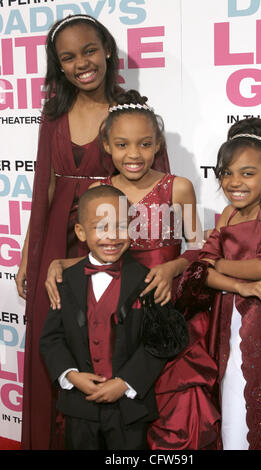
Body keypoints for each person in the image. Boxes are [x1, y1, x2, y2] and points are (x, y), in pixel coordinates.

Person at [16, 15, 170, 450]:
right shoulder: (54, 116)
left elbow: (153, 186)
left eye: (88, 50)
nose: (81, 62)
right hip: (56, 238)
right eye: (68, 57)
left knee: (116, 340)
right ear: (58, 66)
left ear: (107, 50)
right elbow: (44, 186)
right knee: (59, 339)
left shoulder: (130, 112)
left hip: (112, 239)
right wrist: (31, 256)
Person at [46, 90, 220, 449]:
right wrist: (59, 263)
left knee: (171, 408)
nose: (133, 154)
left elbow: (201, 247)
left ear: (157, 145)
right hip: (116, 316)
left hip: (165, 304)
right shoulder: (101, 189)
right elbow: (98, 253)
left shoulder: (178, 187)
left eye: (144, 144)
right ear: (107, 146)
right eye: (122, 145)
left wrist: (173, 266)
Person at [39, 184, 183, 450]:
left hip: (129, 408)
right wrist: (71, 375)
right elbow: (51, 339)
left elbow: (163, 340)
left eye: (120, 226)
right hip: (79, 408)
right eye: (100, 227)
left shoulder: (149, 281)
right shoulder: (65, 281)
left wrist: (125, 382)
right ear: (81, 232)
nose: (112, 237)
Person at [191, 117, 261, 450]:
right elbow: (201, 272)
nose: (234, 182)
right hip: (232, 315)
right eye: (227, 173)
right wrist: (240, 285)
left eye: (247, 173)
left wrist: (221, 266)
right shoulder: (226, 214)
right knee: (233, 398)